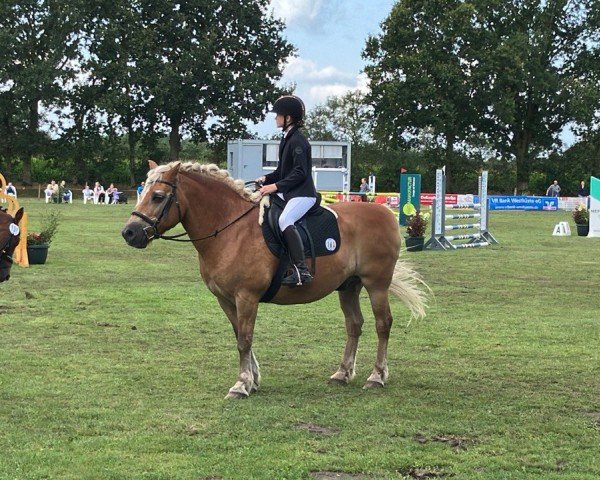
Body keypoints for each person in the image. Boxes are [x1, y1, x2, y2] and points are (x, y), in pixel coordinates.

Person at [255, 95, 316, 287]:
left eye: (278, 115)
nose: (275, 118)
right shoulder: (287, 139)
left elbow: (300, 172)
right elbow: (282, 171)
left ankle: (301, 271)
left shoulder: (298, 141)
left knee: (285, 220)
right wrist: (266, 178)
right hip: (290, 193)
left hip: (303, 194)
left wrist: (274, 186)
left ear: (288, 118)